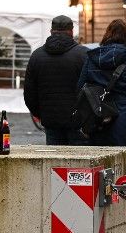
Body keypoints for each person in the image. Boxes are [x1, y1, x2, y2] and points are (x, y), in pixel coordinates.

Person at [77, 19, 126, 155]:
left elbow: (80, 88)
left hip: (99, 123)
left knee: (101, 170)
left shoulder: (92, 59)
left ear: (107, 35)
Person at [23, 14, 89, 146]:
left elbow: (29, 93)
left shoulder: (37, 56)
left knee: (56, 164)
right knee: (79, 164)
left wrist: (42, 114)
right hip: (79, 122)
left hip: (51, 121)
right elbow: (93, 88)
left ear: (51, 31)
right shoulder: (84, 55)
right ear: (71, 31)